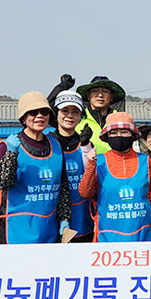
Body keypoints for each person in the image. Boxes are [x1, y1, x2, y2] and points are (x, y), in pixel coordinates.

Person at [0, 92, 70, 244]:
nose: (40, 116)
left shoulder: (56, 145)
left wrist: (65, 218)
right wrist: (11, 155)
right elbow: (2, 183)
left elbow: (63, 187)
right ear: (23, 117)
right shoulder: (8, 145)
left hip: (48, 228)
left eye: (44, 112)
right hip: (16, 229)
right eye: (33, 113)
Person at [79, 112, 151, 242]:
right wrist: (90, 165)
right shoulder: (99, 161)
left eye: (124, 132)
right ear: (107, 137)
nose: (119, 136)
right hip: (108, 235)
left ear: (133, 135)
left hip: (141, 233)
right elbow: (85, 192)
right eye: (113, 133)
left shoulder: (145, 161)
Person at [49, 89, 95, 242]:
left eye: (75, 112)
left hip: (83, 216)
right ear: (56, 113)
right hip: (52, 217)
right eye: (65, 111)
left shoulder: (86, 144)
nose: (70, 116)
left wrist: (87, 145)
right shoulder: (47, 144)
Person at [75, 76, 126, 154]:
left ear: (112, 96)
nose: (100, 95)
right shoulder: (77, 117)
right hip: (83, 164)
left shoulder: (120, 119)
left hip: (113, 165)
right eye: (95, 91)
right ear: (88, 95)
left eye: (105, 91)